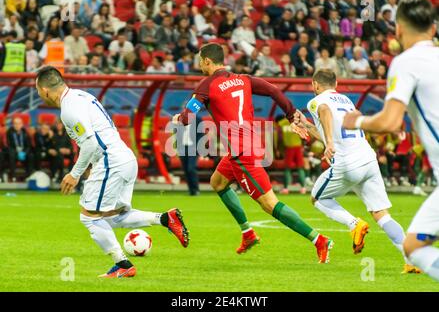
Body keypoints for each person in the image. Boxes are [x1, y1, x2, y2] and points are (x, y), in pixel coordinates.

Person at [172, 43, 333, 263]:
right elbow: (274, 90)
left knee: (269, 204)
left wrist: (178, 119)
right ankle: (247, 233)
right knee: (217, 182)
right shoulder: (244, 79)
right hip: (242, 147)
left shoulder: (207, 84)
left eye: (200, 60)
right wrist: (290, 114)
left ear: (207, 62)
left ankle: (319, 240)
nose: (199, 64)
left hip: (242, 154)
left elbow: (188, 116)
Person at [35, 66, 189, 278]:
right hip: (124, 157)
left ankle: (123, 265)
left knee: (88, 217)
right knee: (113, 217)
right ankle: (165, 219)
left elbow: (89, 143)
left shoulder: (69, 108)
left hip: (111, 161)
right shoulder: (82, 96)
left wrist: (75, 173)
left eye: (37, 92)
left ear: (44, 90)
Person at [343, 0, 439, 282]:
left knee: (415, 248)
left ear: (397, 30)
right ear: (433, 29)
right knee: (412, 246)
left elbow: (389, 121)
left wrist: (356, 121)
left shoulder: (405, 62)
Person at [294, 69, 420, 273]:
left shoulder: (316, 101)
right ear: (336, 83)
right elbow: (329, 130)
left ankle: (354, 224)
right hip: (368, 160)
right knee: (381, 214)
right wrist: (308, 126)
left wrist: (331, 143)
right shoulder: (346, 100)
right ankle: (411, 260)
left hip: (347, 163)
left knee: (317, 199)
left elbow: (325, 111)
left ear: (315, 85)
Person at [6, 117, 34, 181]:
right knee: (11, 155)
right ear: (13, 125)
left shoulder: (25, 132)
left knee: (31, 156)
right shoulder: (9, 132)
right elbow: (9, 145)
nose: (17, 125)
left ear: (22, 125)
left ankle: (29, 176)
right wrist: (17, 152)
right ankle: (13, 176)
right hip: (14, 152)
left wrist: (24, 152)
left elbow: (28, 145)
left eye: (19, 123)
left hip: (23, 152)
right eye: (15, 123)